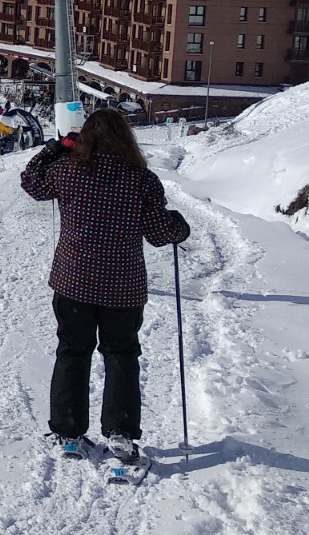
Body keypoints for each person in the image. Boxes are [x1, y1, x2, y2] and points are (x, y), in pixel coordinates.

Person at [21, 111, 190, 465]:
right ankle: (120, 433)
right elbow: (160, 234)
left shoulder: (67, 172)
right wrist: (178, 226)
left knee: (72, 352)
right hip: (122, 288)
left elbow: (31, 182)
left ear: (84, 139)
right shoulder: (141, 180)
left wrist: (54, 148)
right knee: (121, 355)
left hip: (73, 283)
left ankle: (67, 432)